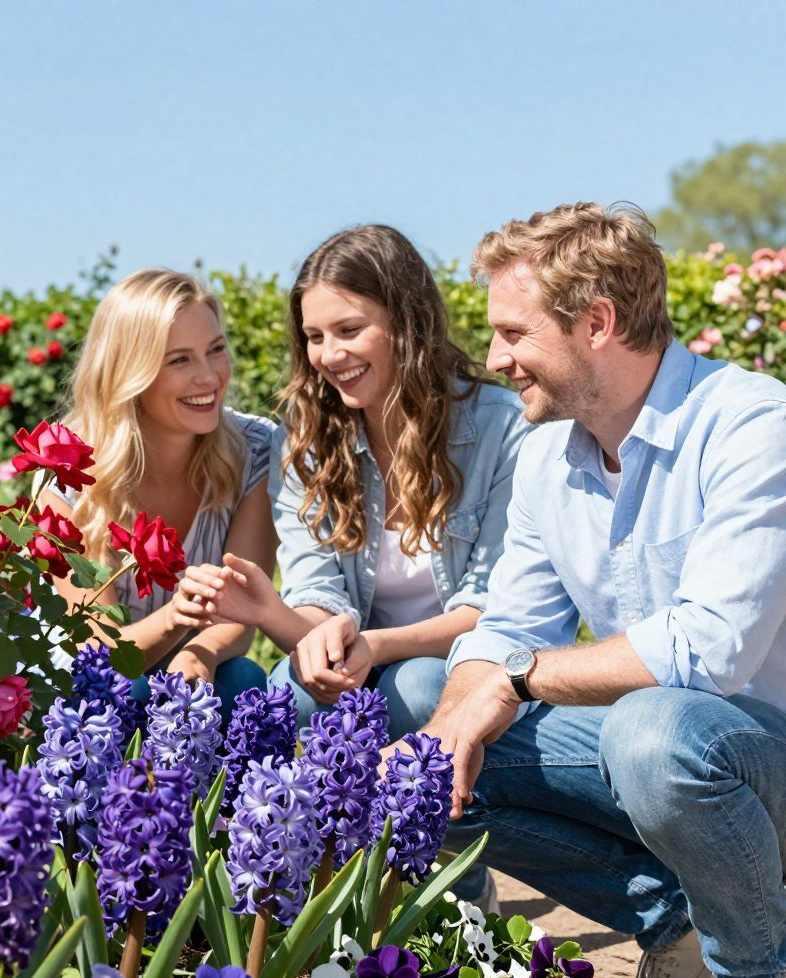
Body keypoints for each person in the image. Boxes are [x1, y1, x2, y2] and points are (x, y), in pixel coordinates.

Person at [420, 203, 786, 978]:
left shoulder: (753, 424)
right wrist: (451, 723)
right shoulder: (549, 455)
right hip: (669, 763)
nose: (495, 359)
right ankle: (687, 931)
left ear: (597, 322)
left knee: (651, 733)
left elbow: (710, 652)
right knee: (426, 755)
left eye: (514, 333)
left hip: (767, 762)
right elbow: (507, 626)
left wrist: (513, 680)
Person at [180, 225, 529, 743]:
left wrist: (376, 645)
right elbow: (317, 592)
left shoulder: (503, 428)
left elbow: (492, 611)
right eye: (314, 337)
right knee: (289, 694)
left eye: (349, 330)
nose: (328, 355)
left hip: (469, 669)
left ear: (407, 322)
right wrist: (277, 615)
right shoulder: (308, 441)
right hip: (362, 662)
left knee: (417, 684)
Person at [37, 267, 275, 706]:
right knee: (130, 690)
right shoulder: (66, 467)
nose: (209, 377)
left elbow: (241, 617)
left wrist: (199, 652)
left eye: (216, 350)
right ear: (131, 373)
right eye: (179, 359)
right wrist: (174, 619)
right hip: (84, 687)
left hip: (193, 664)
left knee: (241, 677)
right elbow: (94, 649)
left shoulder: (254, 449)